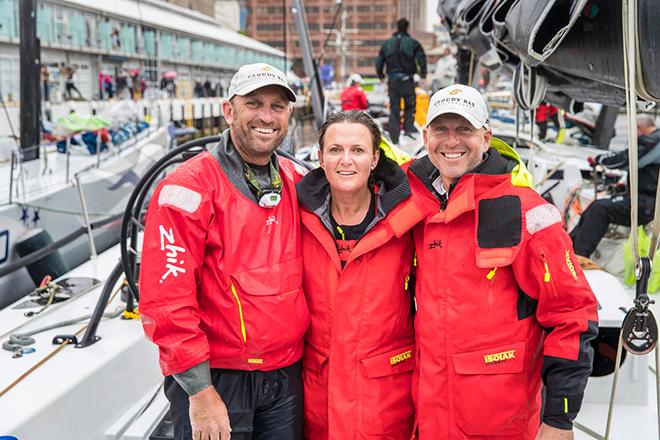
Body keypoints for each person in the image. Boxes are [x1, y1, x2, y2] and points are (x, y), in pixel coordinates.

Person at [406, 84, 598, 439]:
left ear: (486, 137)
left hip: (500, 423)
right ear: (425, 135)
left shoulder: (525, 210)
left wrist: (560, 418)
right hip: (429, 416)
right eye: (441, 129)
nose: (452, 141)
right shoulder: (414, 204)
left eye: (464, 129)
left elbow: (572, 315)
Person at [139, 62, 310, 440]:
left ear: (289, 115)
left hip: (286, 375)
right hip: (218, 380)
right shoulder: (186, 190)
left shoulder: (298, 182)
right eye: (254, 103)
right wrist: (199, 391)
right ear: (229, 110)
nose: (267, 116)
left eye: (277, 106)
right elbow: (166, 301)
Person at [297, 111, 422, 439]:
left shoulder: (408, 221)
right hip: (316, 398)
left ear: (375, 158)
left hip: (385, 402)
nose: (346, 160)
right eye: (336, 150)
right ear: (320, 157)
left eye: (358, 150)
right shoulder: (296, 217)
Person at [570, 115, 660, 266]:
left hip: (648, 205)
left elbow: (626, 159)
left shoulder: (651, 140)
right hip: (647, 200)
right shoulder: (655, 141)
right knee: (596, 206)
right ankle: (569, 249)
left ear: (640, 128)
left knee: (600, 209)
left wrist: (600, 159)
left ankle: (579, 257)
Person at [376, 18, 427, 145]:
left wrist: (380, 75)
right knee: (410, 106)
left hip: (393, 81)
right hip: (407, 80)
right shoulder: (413, 43)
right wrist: (423, 74)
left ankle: (395, 137)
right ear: (407, 27)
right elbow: (421, 58)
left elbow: (379, 61)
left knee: (394, 109)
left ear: (397, 27)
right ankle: (408, 131)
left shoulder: (387, 44)